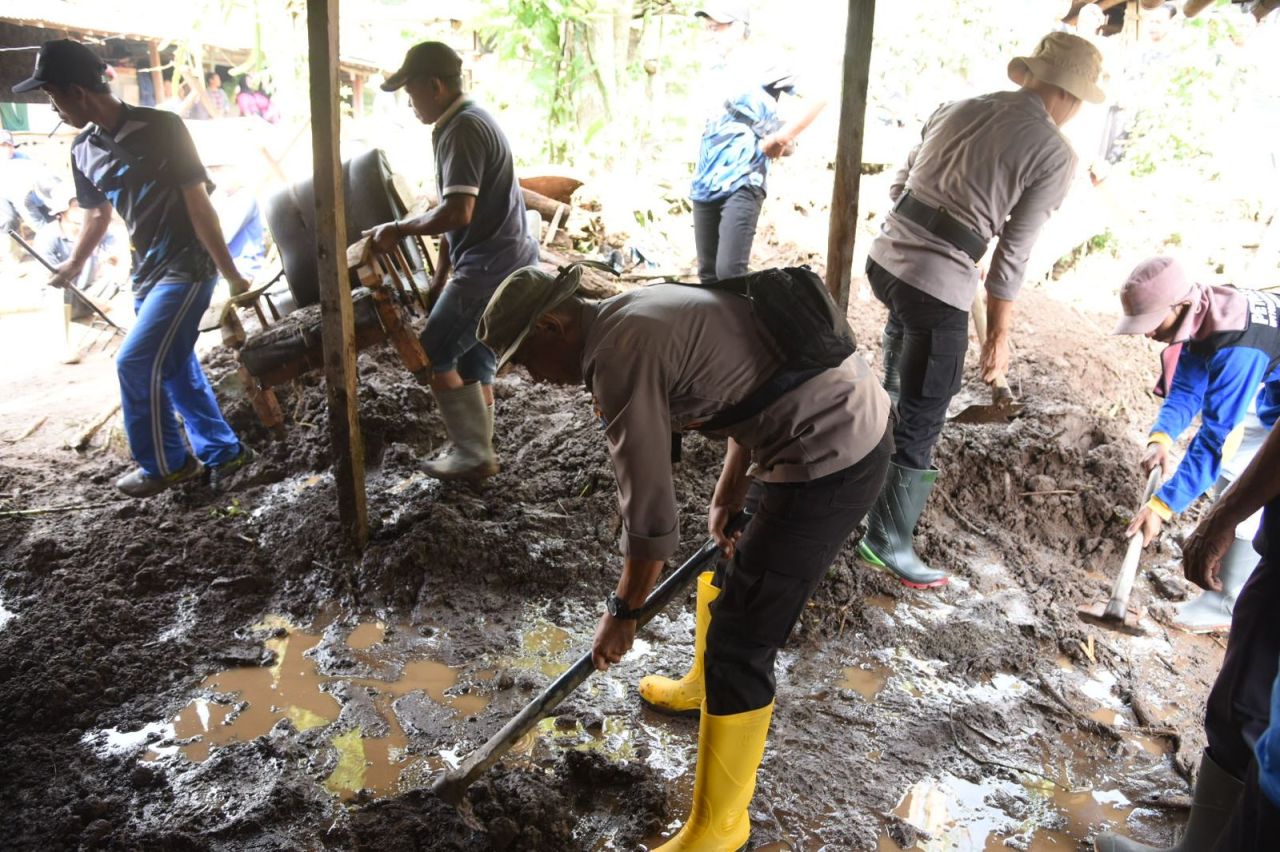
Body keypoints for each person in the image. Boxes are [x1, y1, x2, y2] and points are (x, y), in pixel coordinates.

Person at [476, 266, 892, 851]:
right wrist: (730, 492)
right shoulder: (632, 313)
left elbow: (648, 511)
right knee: (729, 565)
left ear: (552, 324)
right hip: (813, 419)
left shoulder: (617, 355)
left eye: (525, 358)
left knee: (742, 645)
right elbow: (746, 383)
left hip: (833, 452)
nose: (535, 378)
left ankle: (719, 828)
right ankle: (703, 688)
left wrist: (623, 611)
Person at [857, 32, 1103, 589]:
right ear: (1071, 96)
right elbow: (1013, 253)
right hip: (936, 287)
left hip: (885, 265)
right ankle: (886, 540)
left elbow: (900, 185)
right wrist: (999, 336)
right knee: (924, 408)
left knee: (898, 387)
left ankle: (856, 496)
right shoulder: (1053, 152)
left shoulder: (958, 107)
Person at [13, 39, 255, 497]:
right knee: (176, 367)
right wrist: (73, 263)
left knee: (136, 361)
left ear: (76, 92)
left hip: (188, 268)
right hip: (145, 273)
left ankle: (167, 464)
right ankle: (225, 452)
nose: (53, 107)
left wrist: (231, 273)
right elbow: (98, 216)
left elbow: (198, 204)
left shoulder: (163, 127)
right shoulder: (82, 149)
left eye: (52, 96)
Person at [1097, 422, 1280, 851]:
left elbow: (1217, 433)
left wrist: (1172, 507)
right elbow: (1189, 384)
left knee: (1244, 707)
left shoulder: (1242, 355)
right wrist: (1162, 434)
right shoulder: (1210, 353)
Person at [363, 41, 539, 480]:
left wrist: (398, 229)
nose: (410, 101)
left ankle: (473, 454)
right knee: (474, 361)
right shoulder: (464, 122)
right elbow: (458, 212)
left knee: (435, 348)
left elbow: (456, 212)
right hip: (501, 258)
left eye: (412, 91)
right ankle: (478, 451)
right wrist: (442, 274)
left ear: (435, 86)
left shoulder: (462, 129)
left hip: (493, 265)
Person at [1113, 258, 1280, 632]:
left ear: (1179, 306)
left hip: (1267, 378)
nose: (1146, 334)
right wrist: (1161, 438)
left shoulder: (1237, 347)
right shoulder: (1205, 315)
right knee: (1236, 471)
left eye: (1151, 322)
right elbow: (1187, 389)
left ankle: (1226, 603)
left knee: (1246, 480)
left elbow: (1213, 440)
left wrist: (1162, 505)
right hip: (1272, 385)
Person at [689, 1, 825, 284]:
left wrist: (782, 137)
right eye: (709, 24)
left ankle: (747, 327)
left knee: (730, 274)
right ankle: (713, 329)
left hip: (743, 179)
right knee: (708, 276)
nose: (711, 30)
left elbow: (819, 95)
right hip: (704, 182)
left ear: (739, 27)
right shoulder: (712, 65)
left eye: (719, 24)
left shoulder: (764, 62)